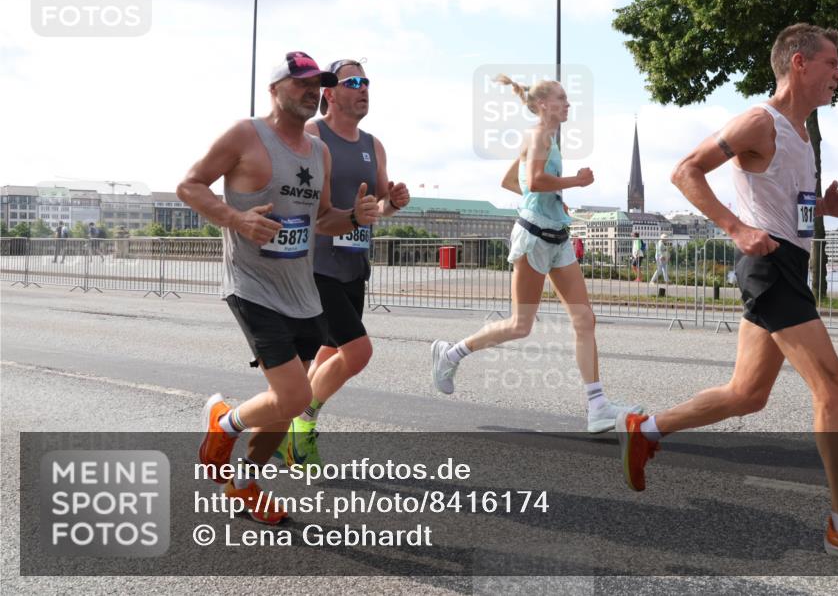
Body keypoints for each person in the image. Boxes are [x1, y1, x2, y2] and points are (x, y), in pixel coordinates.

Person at [615, 24, 838, 571]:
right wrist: (735, 229)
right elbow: (686, 170)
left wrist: (820, 210)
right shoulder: (759, 121)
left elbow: (784, 204)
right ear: (800, 63)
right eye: (833, 63)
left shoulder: (803, 134)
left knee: (746, 394)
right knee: (834, 386)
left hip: (787, 263)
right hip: (767, 265)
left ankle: (648, 428)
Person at [177, 50, 379, 524]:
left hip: (302, 290)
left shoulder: (320, 151)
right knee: (293, 396)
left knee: (287, 408)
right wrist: (235, 219)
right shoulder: (246, 135)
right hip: (252, 285)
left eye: (317, 84)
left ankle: (244, 482)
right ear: (275, 88)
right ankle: (223, 424)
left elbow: (322, 219)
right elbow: (190, 185)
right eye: (300, 82)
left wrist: (353, 216)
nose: (311, 91)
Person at [430, 74, 639, 433]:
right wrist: (574, 181)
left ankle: (598, 407)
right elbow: (536, 179)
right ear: (544, 105)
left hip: (557, 238)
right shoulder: (540, 134)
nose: (569, 104)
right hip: (533, 240)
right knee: (520, 325)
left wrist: (554, 199)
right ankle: (451, 354)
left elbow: (514, 182)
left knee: (584, 320)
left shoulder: (547, 137)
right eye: (562, 98)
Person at [276, 59, 410, 467]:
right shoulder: (313, 135)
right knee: (359, 352)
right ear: (330, 93)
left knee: (331, 354)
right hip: (316, 265)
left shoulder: (374, 145)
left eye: (367, 81)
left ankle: (287, 432)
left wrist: (394, 202)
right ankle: (300, 423)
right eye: (354, 81)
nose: (364, 87)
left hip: (354, 263)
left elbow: (379, 207)